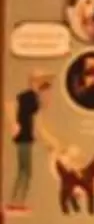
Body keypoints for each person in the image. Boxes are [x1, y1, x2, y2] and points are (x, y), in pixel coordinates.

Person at [8, 73, 46, 212]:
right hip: (25, 137)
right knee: (26, 171)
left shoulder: (25, 96)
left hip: (23, 137)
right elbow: (37, 109)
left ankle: (16, 201)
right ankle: (18, 202)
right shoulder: (30, 97)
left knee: (22, 171)